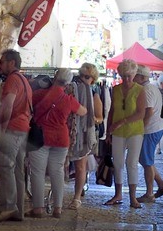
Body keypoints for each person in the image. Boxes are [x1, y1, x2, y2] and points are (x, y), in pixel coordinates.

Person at [27, 68, 85, 217]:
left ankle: (38, 208)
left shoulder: (39, 94)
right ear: (68, 83)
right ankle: (57, 208)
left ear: (54, 78)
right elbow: (83, 111)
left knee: (38, 173)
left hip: (40, 137)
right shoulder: (68, 99)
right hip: (61, 138)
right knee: (58, 172)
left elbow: (27, 105)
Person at [0, 48, 33, 223]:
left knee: (5, 167)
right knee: (17, 170)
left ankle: (8, 206)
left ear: (12, 63)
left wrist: (2, 128)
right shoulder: (24, 80)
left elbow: (7, 106)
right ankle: (18, 210)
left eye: (2, 62)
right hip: (23, 129)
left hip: (13, 128)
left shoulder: (12, 81)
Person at [105, 59, 146, 208]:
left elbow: (141, 113)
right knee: (117, 163)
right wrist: (109, 129)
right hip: (117, 131)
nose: (127, 79)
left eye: (129, 75)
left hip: (134, 130)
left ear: (134, 74)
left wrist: (121, 122)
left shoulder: (140, 90)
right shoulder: (115, 90)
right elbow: (112, 111)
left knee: (132, 163)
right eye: (124, 76)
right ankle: (118, 194)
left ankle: (133, 197)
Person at [67, 63, 99, 208]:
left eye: (87, 77)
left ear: (93, 79)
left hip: (84, 133)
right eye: (81, 75)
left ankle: (76, 197)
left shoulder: (94, 92)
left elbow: (99, 115)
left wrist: (87, 121)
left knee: (81, 167)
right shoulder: (71, 87)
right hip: (68, 130)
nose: (83, 79)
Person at [138, 69, 163, 202]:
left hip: (150, 129)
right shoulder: (152, 87)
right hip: (155, 127)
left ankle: (149, 193)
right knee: (146, 160)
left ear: (140, 76)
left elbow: (149, 111)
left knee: (147, 161)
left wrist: (141, 128)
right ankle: (162, 184)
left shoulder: (146, 90)